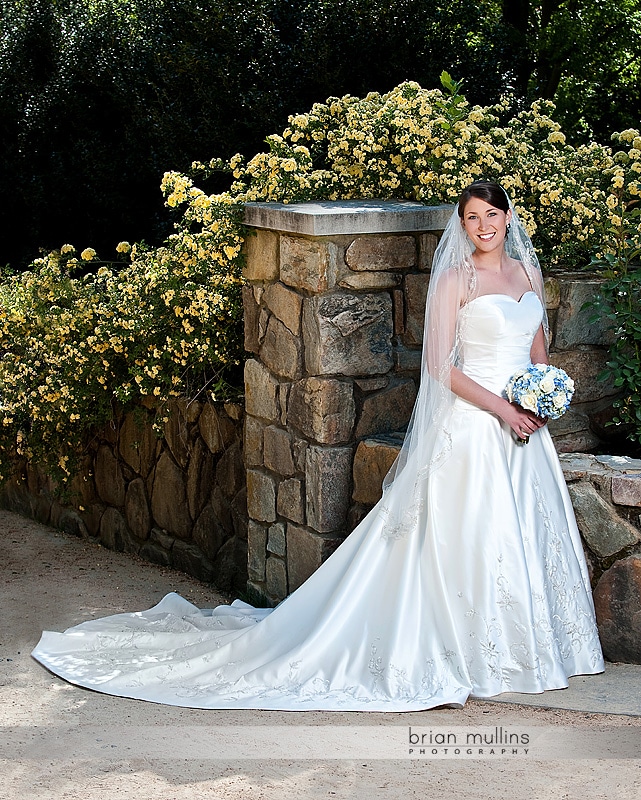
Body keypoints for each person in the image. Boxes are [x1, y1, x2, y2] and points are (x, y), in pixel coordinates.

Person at [32, 181, 604, 711]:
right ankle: (474, 652)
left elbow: (538, 357)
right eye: (472, 217)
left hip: (525, 435)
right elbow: (438, 367)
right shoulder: (457, 279)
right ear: (463, 226)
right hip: (477, 431)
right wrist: (503, 409)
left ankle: (530, 648)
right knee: (472, 541)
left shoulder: (527, 278)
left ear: (508, 218)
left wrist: (538, 403)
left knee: (525, 535)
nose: (484, 225)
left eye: (492, 214)